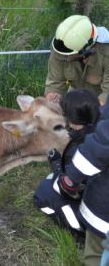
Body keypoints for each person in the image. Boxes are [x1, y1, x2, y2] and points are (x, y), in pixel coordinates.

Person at [35, 89, 109, 266]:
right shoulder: (98, 125)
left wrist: (55, 163)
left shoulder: (85, 144)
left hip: (100, 213)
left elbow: (70, 184)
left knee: (44, 192)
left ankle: (79, 230)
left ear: (71, 120)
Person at [44, 14, 109, 106]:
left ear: (87, 49)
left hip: (103, 102)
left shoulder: (106, 54)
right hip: (77, 95)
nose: (66, 58)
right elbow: (55, 84)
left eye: (70, 54)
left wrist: (87, 115)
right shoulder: (60, 48)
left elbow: (107, 95)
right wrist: (53, 107)